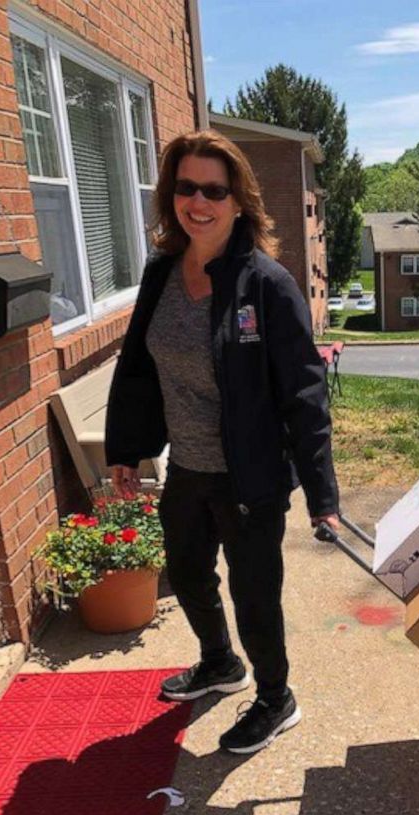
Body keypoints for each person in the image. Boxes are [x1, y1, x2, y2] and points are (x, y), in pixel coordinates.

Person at [105, 130, 340, 755]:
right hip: (187, 467)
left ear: (238, 199)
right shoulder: (161, 274)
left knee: (253, 593)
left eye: (215, 189)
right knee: (186, 572)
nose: (199, 201)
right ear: (170, 195)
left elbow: (304, 393)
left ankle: (275, 696)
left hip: (251, 476)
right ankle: (220, 664)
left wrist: (322, 493)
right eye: (186, 187)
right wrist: (125, 449)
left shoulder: (264, 284)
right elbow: (137, 369)